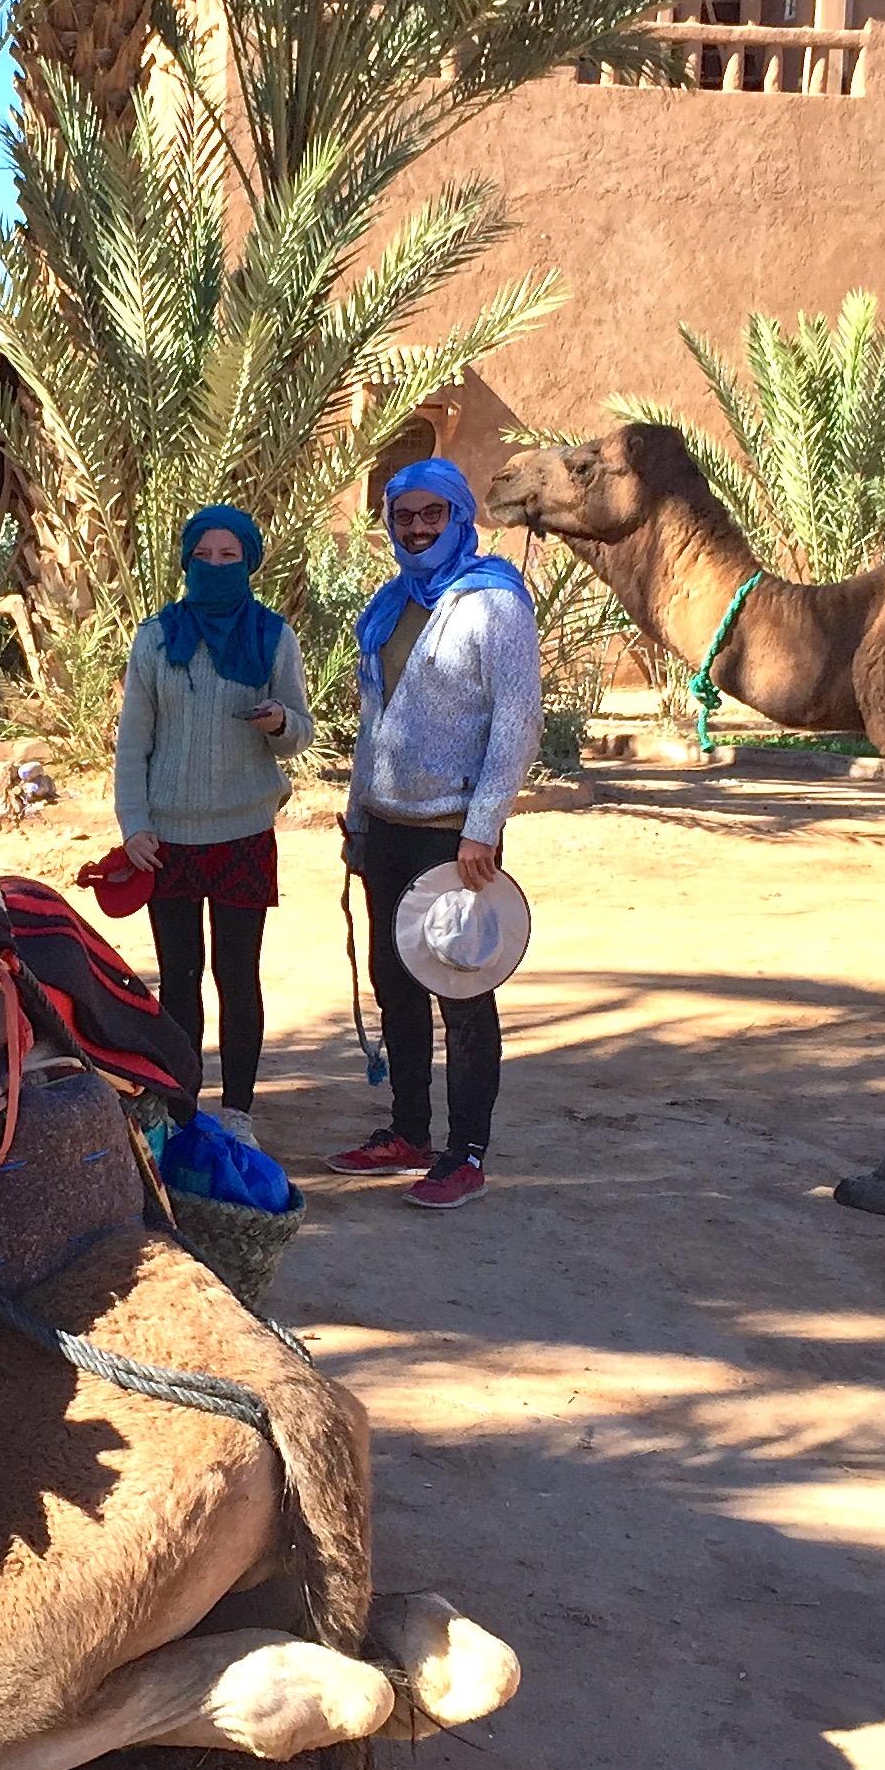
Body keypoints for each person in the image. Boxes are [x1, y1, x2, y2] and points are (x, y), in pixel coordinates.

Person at [327, 457, 541, 1208]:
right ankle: (408, 1131)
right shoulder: (391, 605)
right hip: (385, 826)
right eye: (404, 516)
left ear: (459, 516)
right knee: (395, 981)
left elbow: (516, 724)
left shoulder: (495, 606)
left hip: (455, 839)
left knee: (461, 988)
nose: (417, 528)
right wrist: (358, 813)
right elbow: (373, 724)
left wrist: (482, 829)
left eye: (432, 514)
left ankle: (467, 1153)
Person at [114, 505, 314, 1148]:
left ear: (250, 562)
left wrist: (280, 721)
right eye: (205, 556)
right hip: (166, 841)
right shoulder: (156, 637)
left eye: (231, 557)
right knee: (178, 978)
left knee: (238, 974)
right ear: (187, 561)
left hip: (243, 833)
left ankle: (238, 1113)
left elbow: (300, 734)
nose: (217, 567)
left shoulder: (274, 637)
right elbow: (132, 743)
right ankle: (180, 1108)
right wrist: (134, 824)